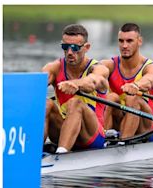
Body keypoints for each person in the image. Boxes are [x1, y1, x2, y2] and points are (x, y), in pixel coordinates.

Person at [43, 24, 109, 153]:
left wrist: (76, 84)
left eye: (75, 48)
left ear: (87, 47)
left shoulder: (99, 68)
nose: (69, 52)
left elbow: (93, 81)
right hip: (62, 130)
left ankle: (61, 154)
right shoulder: (54, 68)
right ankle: (32, 152)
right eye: (65, 47)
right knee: (46, 104)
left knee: (75, 103)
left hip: (92, 136)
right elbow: (36, 86)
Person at [101, 23, 153, 140]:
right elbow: (94, 73)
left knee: (132, 98)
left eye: (129, 41)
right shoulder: (108, 65)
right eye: (121, 41)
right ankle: (104, 138)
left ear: (139, 41)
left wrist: (136, 85)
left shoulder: (152, 68)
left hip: (146, 127)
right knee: (111, 97)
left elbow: (150, 79)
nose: (124, 45)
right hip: (119, 121)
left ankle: (124, 142)